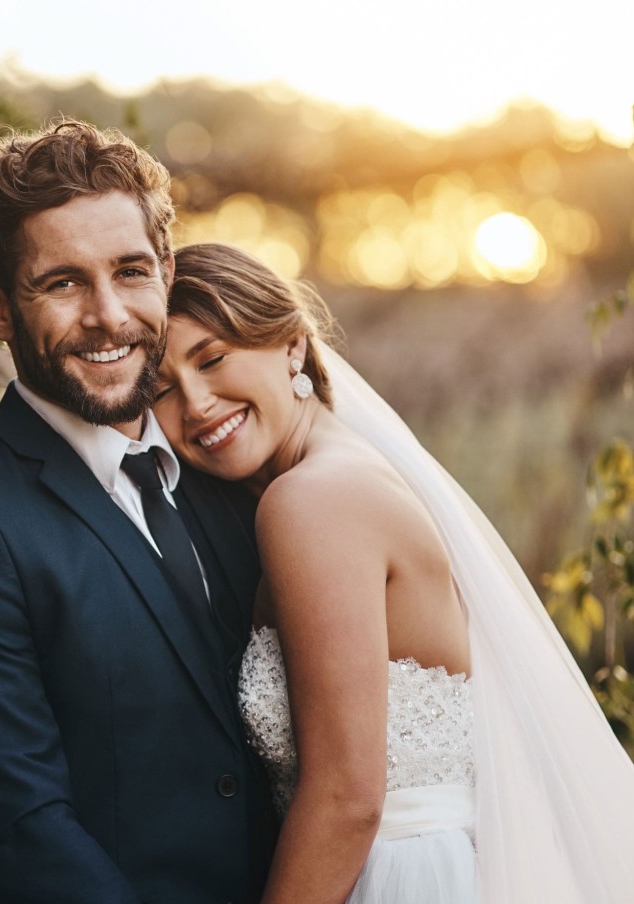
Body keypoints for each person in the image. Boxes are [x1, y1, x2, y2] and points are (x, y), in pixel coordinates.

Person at [153, 241, 634, 904]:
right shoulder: (348, 471)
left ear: (292, 345)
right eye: (162, 389)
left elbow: (347, 799)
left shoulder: (310, 502)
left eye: (212, 360)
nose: (197, 402)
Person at [0, 123, 278, 903]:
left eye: (130, 272)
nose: (107, 315)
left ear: (165, 272)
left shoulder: (229, 469)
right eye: (62, 283)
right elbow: (20, 832)